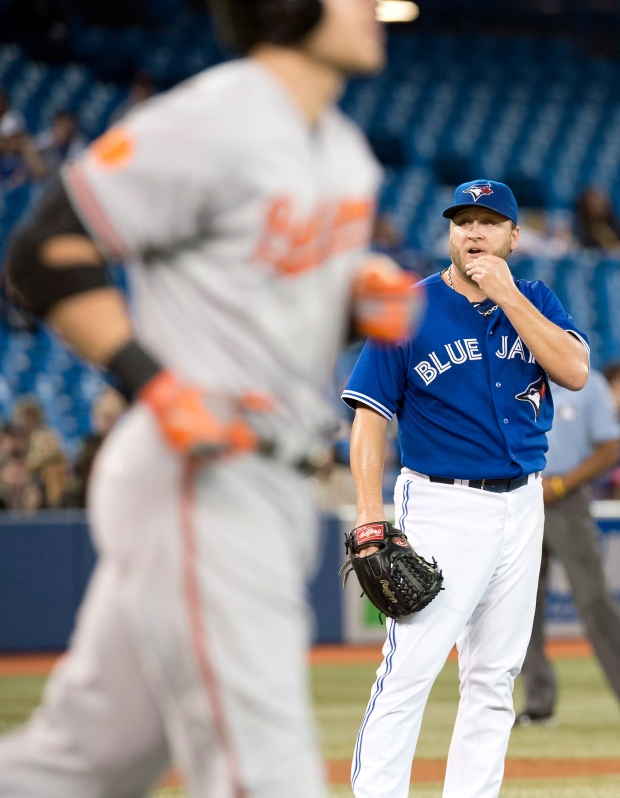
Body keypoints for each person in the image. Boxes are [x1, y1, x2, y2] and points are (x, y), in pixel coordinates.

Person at [0, 0, 418, 796]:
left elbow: (271, 305)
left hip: (277, 470)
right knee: (263, 767)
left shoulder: (345, 151)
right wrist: (153, 384)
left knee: (85, 760)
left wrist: (351, 302)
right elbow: (44, 250)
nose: (375, 8)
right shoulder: (213, 119)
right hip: (205, 467)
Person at [341, 180, 590, 798]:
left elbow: (576, 371)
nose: (473, 233)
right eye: (462, 221)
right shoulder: (408, 309)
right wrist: (371, 519)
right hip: (442, 503)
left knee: (494, 677)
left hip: (524, 501)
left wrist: (508, 296)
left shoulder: (535, 298)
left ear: (513, 236)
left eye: (487, 222)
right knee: (409, 670)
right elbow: (370, 419)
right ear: (449, 232)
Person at [515, 370, 620, 726]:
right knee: (521, 608)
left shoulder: (587, 383)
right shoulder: (511, 374)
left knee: (594, 602)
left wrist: (559, 486)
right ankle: (538, 704)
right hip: (518, 498)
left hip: (568, 502)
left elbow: (609, 448)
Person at [35, 110, 87, 179]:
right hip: (46, 176)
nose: (63, 129)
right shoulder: (49, 135)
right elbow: (33, 150)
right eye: (61, 125)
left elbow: (75, 172)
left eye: (67, 126)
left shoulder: (80, 146)